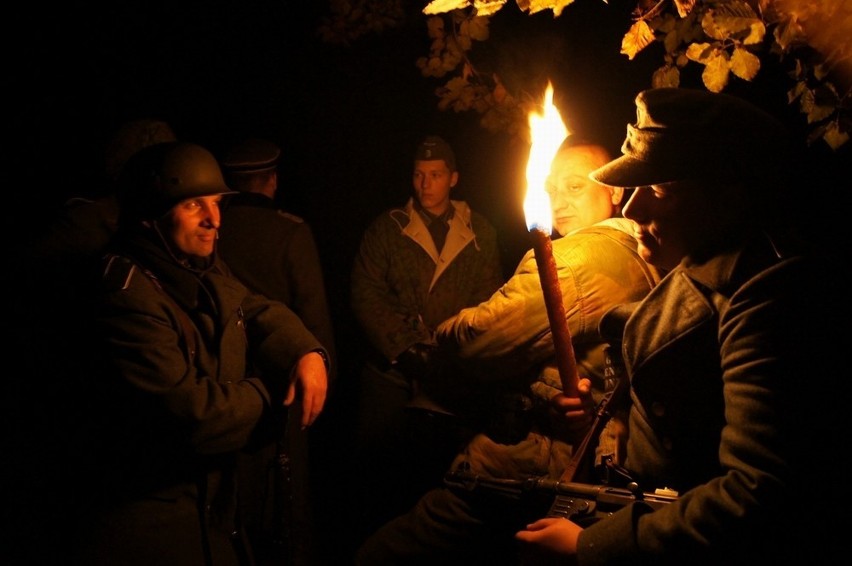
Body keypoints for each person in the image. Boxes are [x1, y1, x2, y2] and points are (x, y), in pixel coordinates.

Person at [513, 88, 846, 564]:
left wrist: (592, 545)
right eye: (634, 188)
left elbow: (756, 491)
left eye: (659, 190)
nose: (631, 210)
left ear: (727, 194)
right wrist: (606, 417)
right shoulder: (691, 261)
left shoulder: (768, 293)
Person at [355, 136, 662, 564]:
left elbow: (484, 337)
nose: (559, 200)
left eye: (574, 186)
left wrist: (443, 337)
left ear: (614, 191)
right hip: (430, 387)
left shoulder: (576, 258)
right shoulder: (645, 247)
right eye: (550, 188)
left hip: (530, 466)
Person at [69, 141, 330, 566]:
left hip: (207, 508)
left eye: (216, 203)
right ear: (151, 214)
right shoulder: (126, 293)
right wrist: (272, 395)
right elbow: (192, 415)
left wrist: (306, 351)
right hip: (150, 523)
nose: (214, 220)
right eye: (195, 205)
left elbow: (253, 306)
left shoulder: (191, 265)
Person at [350, 134, 504, 540]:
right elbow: (366, 294)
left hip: (450, 373)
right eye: (419, 175)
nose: (425, 184)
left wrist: (450, 351)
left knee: (441, 477)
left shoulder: (480, 232)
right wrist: (405, 347)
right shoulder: (386, 229)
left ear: (453, 179)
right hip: (390, 374)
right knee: (382, 473)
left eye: (435, 175)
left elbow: (489, 296)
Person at [216, 137, 337, 566]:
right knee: (286, 503)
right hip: (286, 381)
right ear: (272, 181)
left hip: (224, 383)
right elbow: (314, 314)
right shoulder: (291, 231)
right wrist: (323, 371)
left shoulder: (214, 229)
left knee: (232, 497)